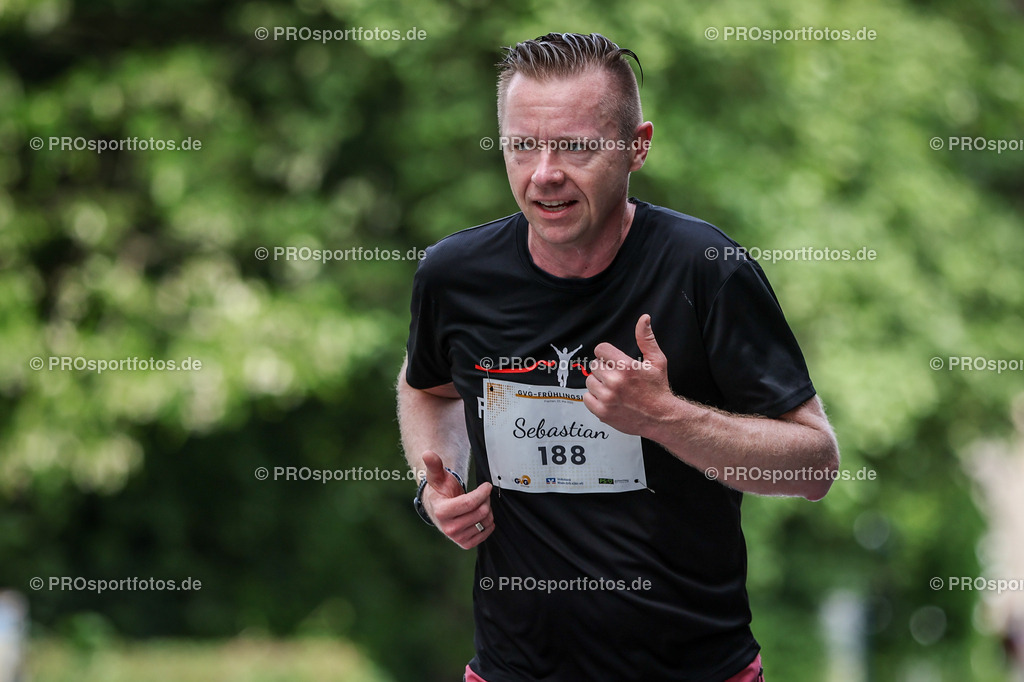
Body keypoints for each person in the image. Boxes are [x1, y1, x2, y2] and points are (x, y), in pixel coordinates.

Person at [397, 31, 839, 682]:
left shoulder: (705, 270)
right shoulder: (454, 275)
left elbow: (815, 466)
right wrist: (441, 488)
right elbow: (426, 387)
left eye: (575, 146)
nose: (544, 172)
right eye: (523, 145)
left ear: (638, 146)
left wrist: (665, 418)